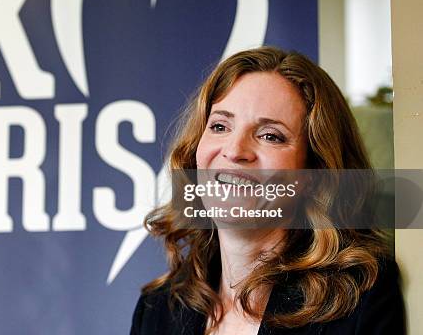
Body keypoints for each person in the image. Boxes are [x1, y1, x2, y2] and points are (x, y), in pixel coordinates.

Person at [130, 47, 405, 335]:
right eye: (220, 126)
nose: (235, 151)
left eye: (270, 136)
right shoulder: (158, 309)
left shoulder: (359, 298)